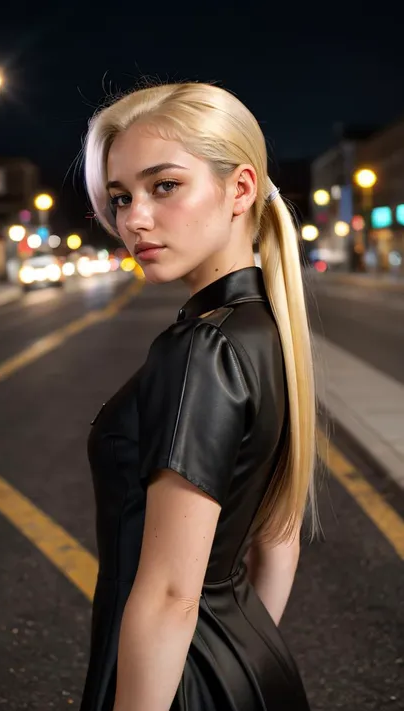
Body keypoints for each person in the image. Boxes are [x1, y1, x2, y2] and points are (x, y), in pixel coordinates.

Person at [81, 82, 318, 711]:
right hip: (246, 664)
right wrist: (240, 653)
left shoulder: (199, 350)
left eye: (164, 186)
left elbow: (168, 595)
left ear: (240, 189)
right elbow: (278, 538)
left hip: (175, 680)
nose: (134, 218)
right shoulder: (267, 327)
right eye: (120, 196)